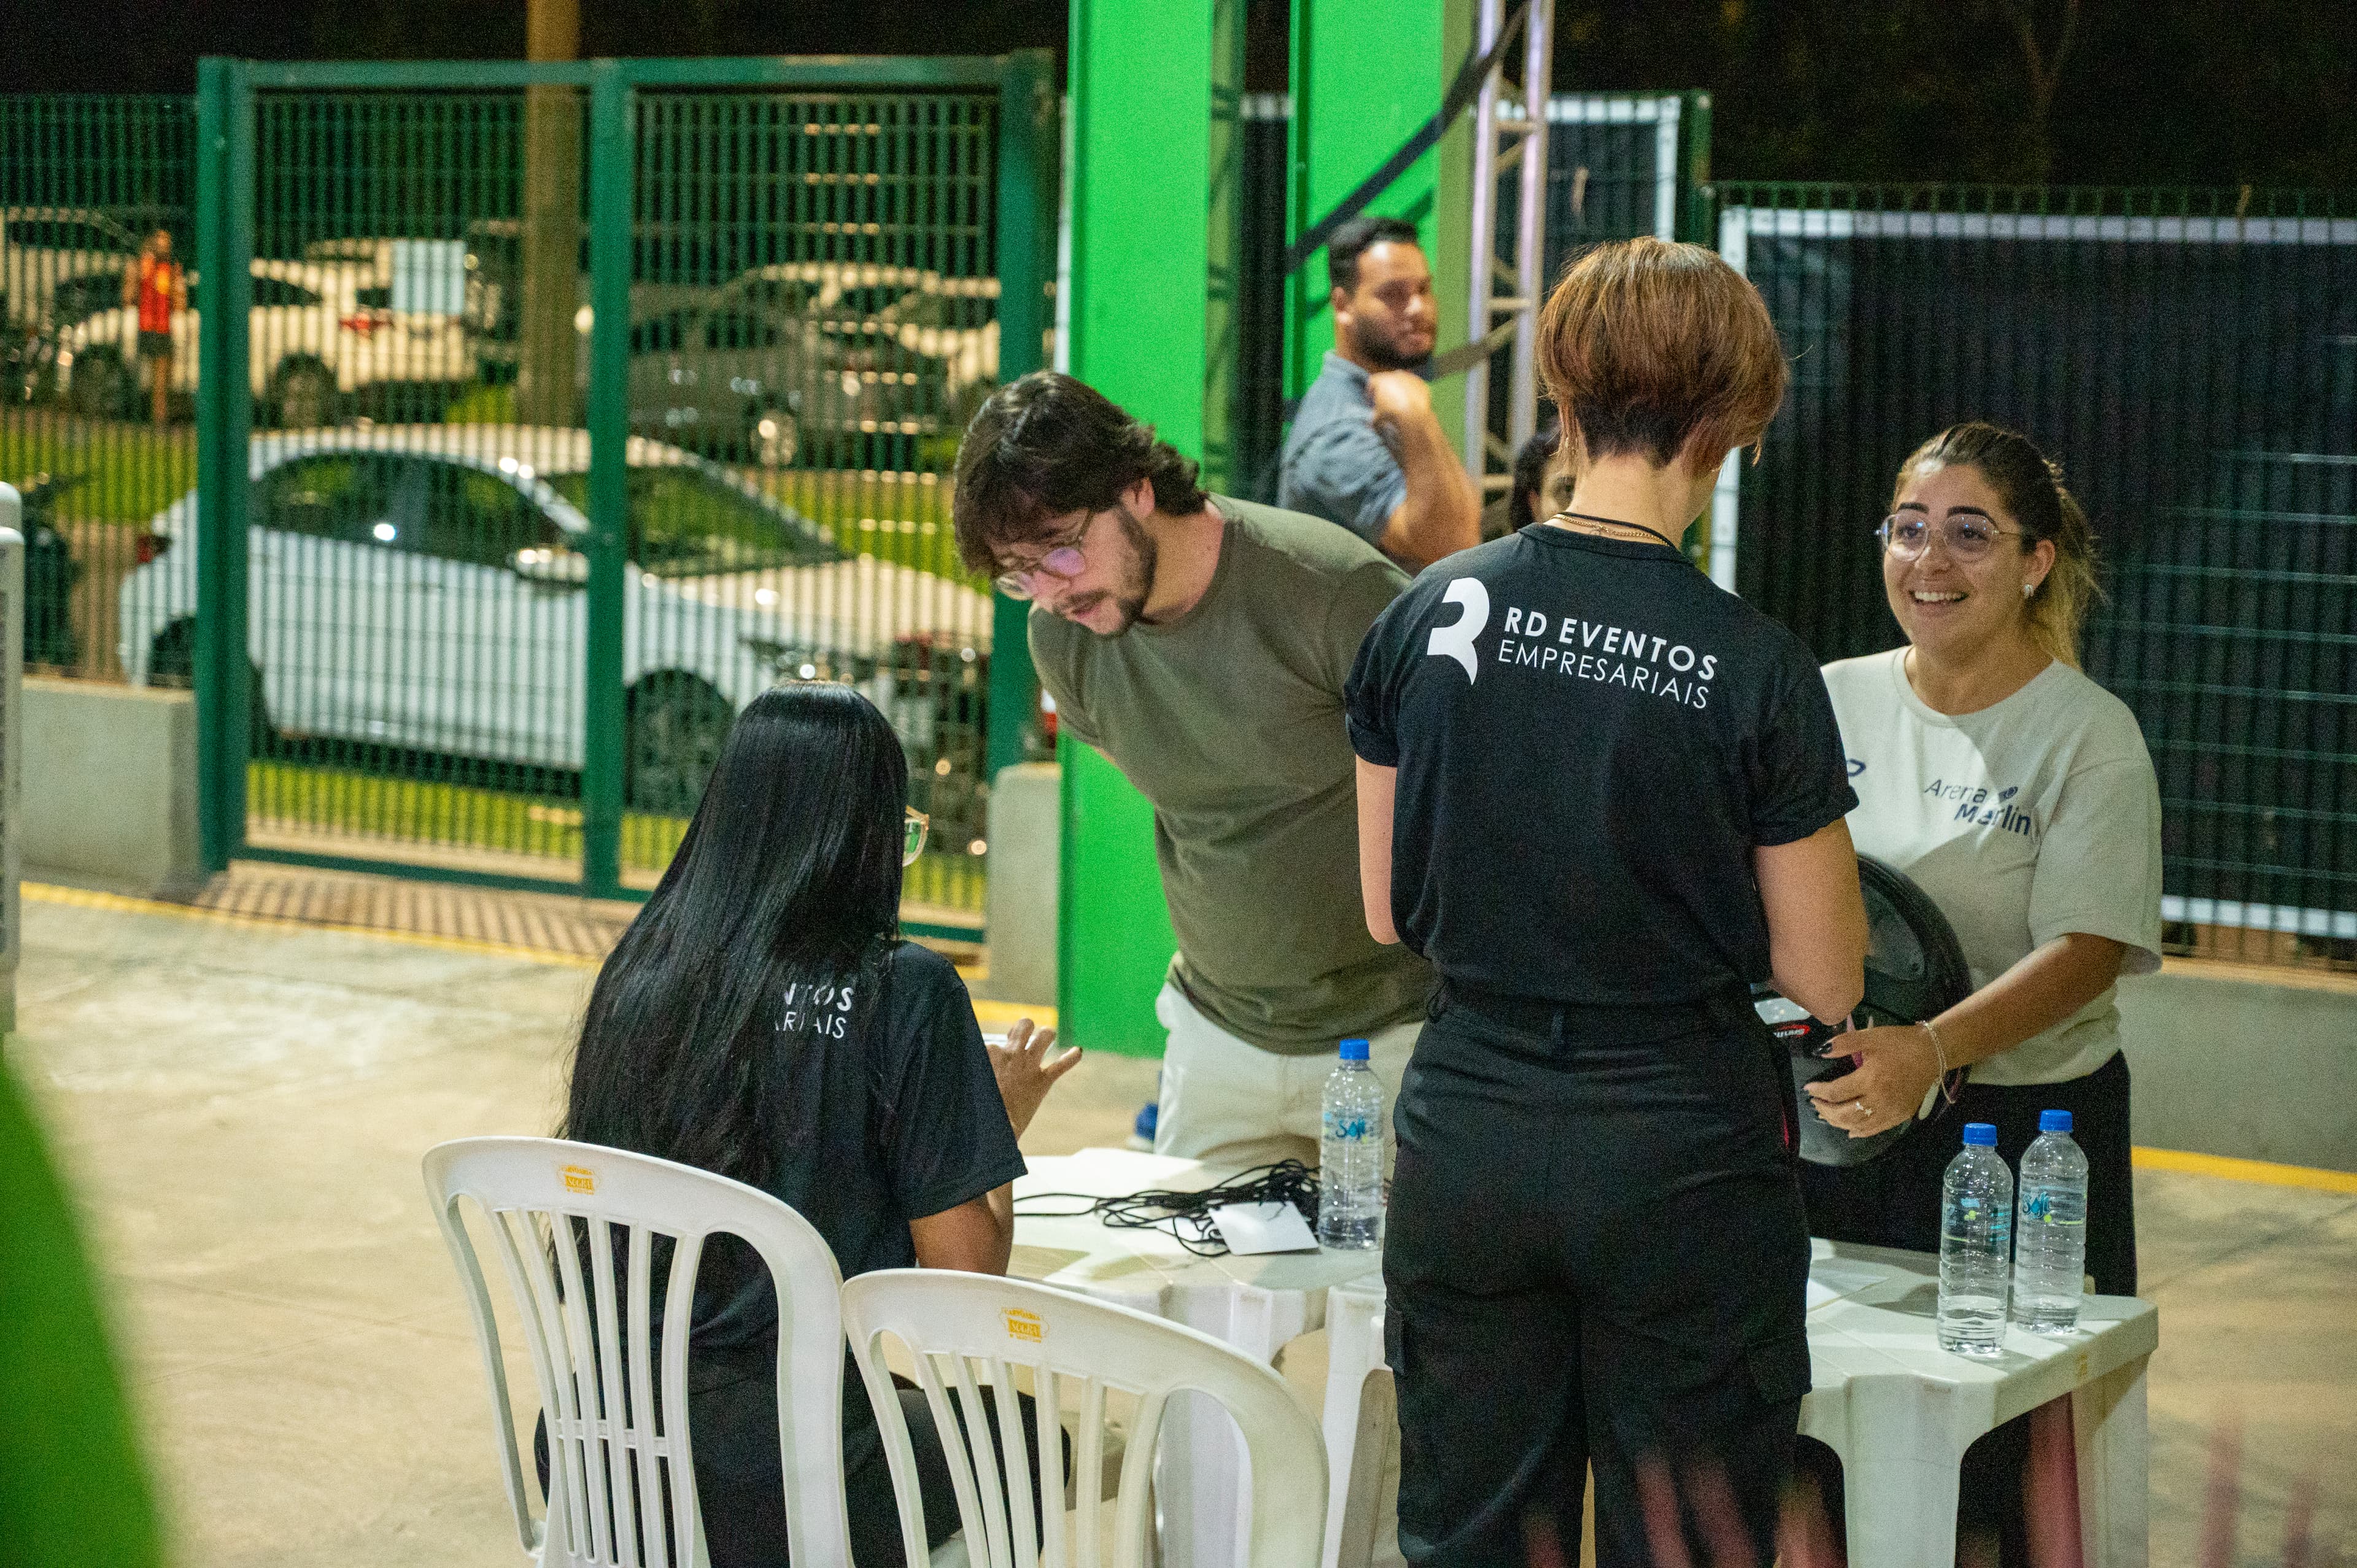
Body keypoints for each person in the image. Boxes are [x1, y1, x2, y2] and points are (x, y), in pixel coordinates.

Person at [1344, 236, 1870, 1567]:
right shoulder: (1757, 668)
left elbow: (1388, 910)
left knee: (1469, 1534)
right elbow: (1825, 976)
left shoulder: (1426, 612)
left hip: (1469, 1131)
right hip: (1681, 1148)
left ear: (1563, 396)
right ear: (1734, 420)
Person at [560, 683, 1080, 1567]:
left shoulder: (639, 970)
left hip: (603, 1446)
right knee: (1031, 1441)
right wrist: (991, 1121)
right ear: (865, 837)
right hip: (793, 1475)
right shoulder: (903, 989)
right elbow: (964, 1285)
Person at [1796, 422, 2163, 1567]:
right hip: (1842, 1120)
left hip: (2018, 1144)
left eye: (1970, 535)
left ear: (2035, 562)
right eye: (1910, 531)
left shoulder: (2086, 736)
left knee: (1987, 1473)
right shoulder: (1828, 701)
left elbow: (2089, 948)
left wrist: (1934, 1052)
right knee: (1817, 1447)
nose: (1931, 562)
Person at [953, 370, 1433, 1172]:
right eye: (1018, 571)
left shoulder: (1328, 590)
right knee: (1175, 1289)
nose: (1049, 589)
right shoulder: (1063, 640)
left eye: (1063, 548)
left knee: (1377, 1293)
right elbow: (1187, 792)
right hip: (1217, 1034)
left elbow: (1463, 779)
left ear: (1136, 488)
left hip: (1390, 1035)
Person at [1279, 215, 1481, 570]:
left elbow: (1464, 518)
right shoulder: (1337, 435)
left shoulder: (1387, 395)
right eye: (1394, 295)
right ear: (1343, 306)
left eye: (1423, 290)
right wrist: (1416, 420)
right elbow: (1454, 549)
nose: (1418, 309)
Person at [121, 229, 184, 428]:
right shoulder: (141, 265)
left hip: (164, 328)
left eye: (167, 241)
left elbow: (181, 303)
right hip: (145, 327)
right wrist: (135, 278)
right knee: (138, 374)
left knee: (162, 378)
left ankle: (159, 419)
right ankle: (134, 414)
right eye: (160, 240)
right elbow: (127, 297)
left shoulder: (171, 268)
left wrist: (176, 286)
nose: (164, 245)